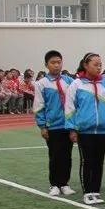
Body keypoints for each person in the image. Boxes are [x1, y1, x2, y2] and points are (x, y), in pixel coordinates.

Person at [65, 53, 105, 205]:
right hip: (85, 130)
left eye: (100, 64)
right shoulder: (77, 84)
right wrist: (72, 129)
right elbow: (69, 108)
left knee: (99, 161)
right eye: (95, 64)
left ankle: (96, 191)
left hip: (103, 130)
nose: (99, 67)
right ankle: (87, 192)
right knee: (87, 161)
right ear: (85, 65)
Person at [33, 51, 76, 195]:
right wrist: (42, 126)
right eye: (53, 62)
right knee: (55, 155)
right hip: (53, 125)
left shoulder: (69, 81)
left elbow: (74, 102)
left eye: (59, 62)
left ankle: (65, 183)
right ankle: (54, 184)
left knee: (67, 155)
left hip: (68, 125)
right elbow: (39, 105)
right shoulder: (41, 84)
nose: (56, 65)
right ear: (46, 65)